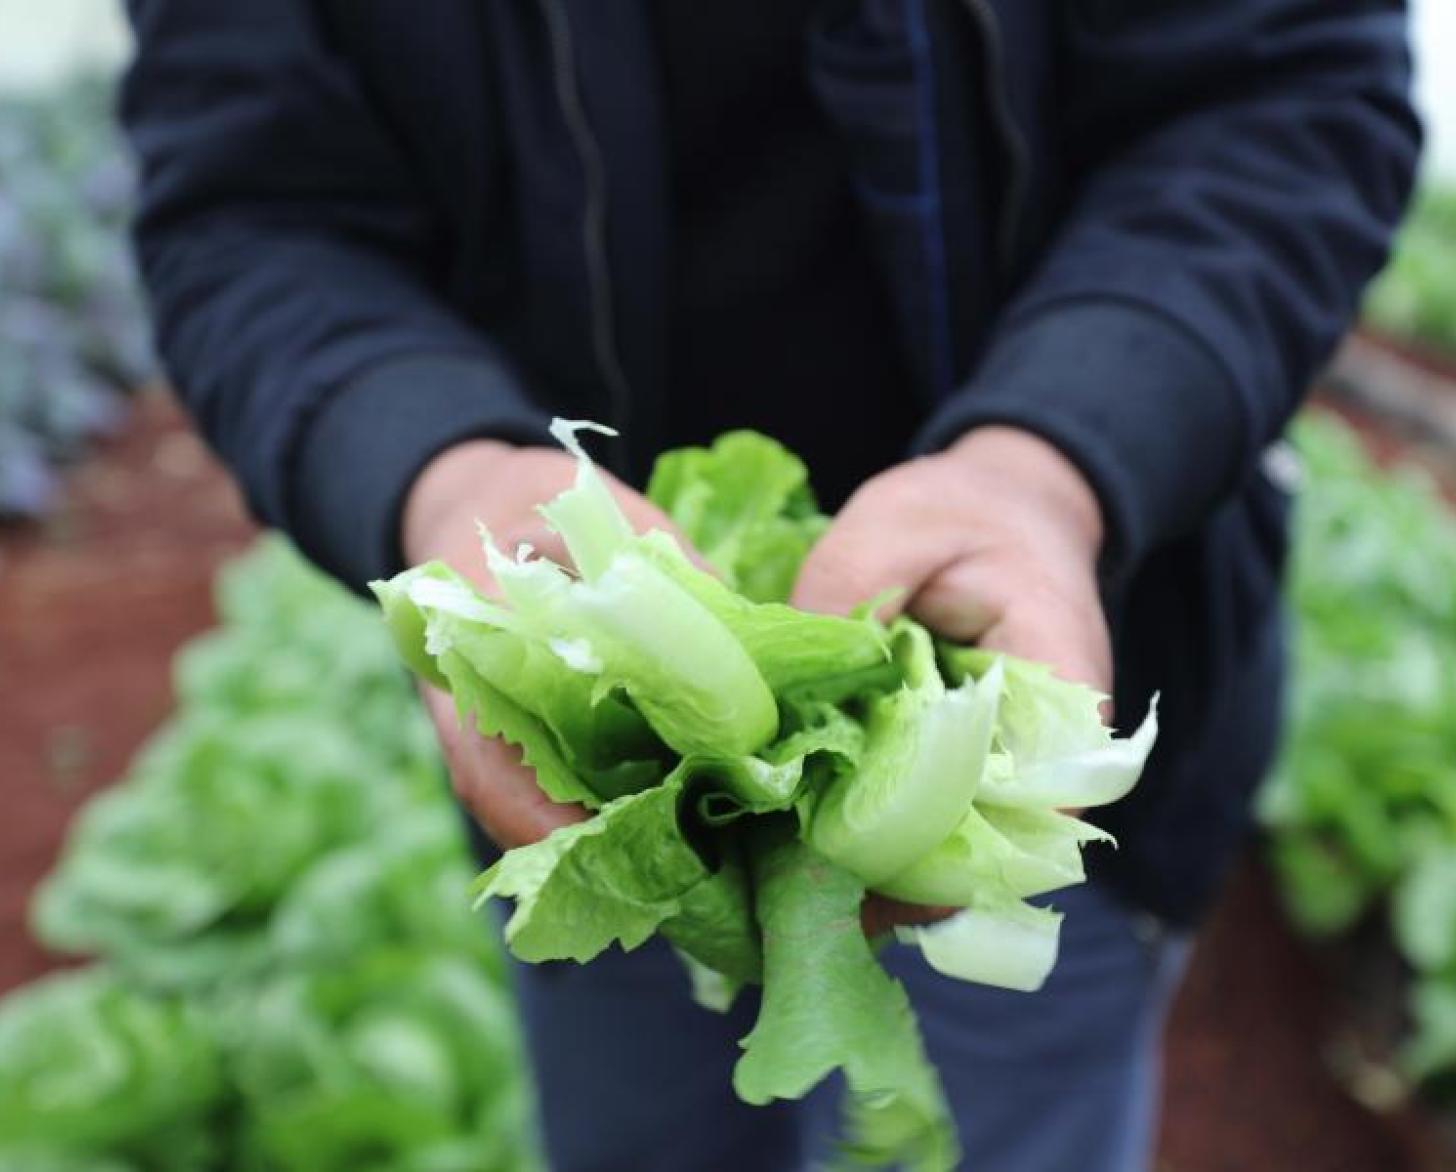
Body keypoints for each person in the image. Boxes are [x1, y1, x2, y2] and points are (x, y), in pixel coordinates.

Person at [121, 2, 1420, 1169]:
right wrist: (444, 468)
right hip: (589, 787)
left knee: (1005, 1113)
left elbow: (1284, 94)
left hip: (1041, 695)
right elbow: (253, 208)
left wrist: (1059, 461)